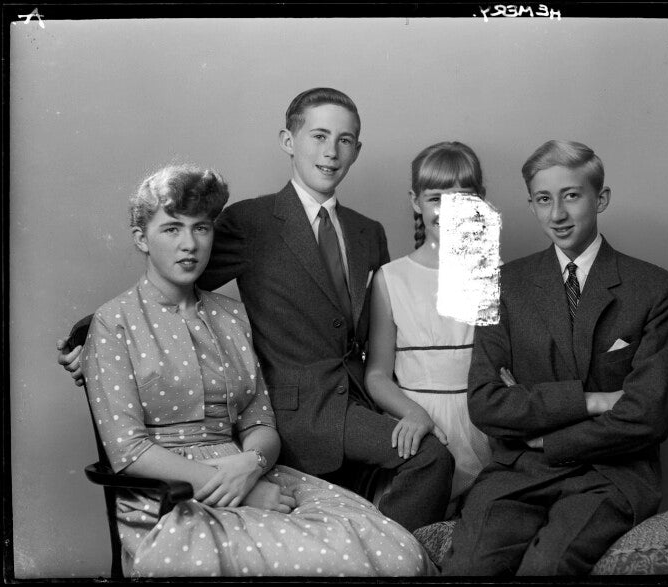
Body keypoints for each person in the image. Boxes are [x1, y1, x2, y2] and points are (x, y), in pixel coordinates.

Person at [59, 88, 453, 532]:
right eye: (318, 136)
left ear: (357, 150)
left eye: (345, 140)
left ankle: (382, 552)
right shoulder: (252, 223)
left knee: (410, 468)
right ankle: (391, 555)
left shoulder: (368, 233)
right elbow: (175, 276)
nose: (331, 152)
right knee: (430, 461)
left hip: (359, 402)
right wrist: (88, 337)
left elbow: (383, 326)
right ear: (288, 141)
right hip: (292, 413)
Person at [80, 164, 435, 577]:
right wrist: (235, 487)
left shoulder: (232, 317)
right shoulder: (114, 323)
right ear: (142, 239)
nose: (189, 244)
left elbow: (260, 420)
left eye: (201, 228)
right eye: (172, 229)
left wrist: (251, 465)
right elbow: (128, 450)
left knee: (396, 552)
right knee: (337, 561)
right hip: (169, 496)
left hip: (251, 468)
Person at [441, 140, 668, 576]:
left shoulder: (652, 288)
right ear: (531, 205)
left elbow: (649, 414)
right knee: (471, 565)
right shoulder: (504, 284)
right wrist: (593, 400)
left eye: (571, 196)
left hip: (608, 475)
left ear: (600, 198)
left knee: (548, 565)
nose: (557, 215)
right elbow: (487, 404)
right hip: (517, 473)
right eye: (543, 199)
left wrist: (547, 437)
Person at [365, 142, 492, 518]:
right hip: (416, 421)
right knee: (410, 527)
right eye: (436, 198)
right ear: (415, 202)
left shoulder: (497, 278)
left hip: (481, 422)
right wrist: (414, 413)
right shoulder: (391, 279)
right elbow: (376, 374)